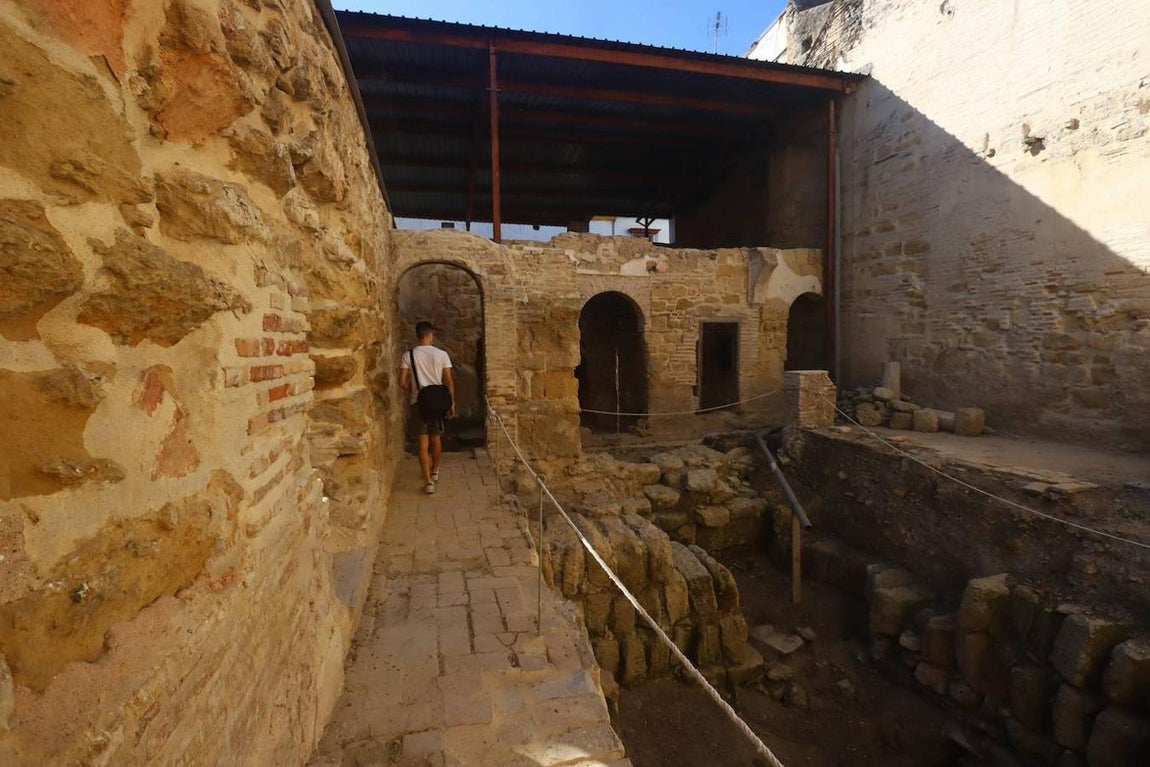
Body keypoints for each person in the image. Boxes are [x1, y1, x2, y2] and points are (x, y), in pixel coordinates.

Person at [399, 321, 455, 494]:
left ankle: (428, 482)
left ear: (417, 336)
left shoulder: (408, 356)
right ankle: (435, 470)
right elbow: (448, 381)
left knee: (422, 442)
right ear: (430, 335)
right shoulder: (441, 354)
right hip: (438, 401)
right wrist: (451, 402)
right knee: (436, 439)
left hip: (419, 402)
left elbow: (402, 382)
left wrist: (414, 390)